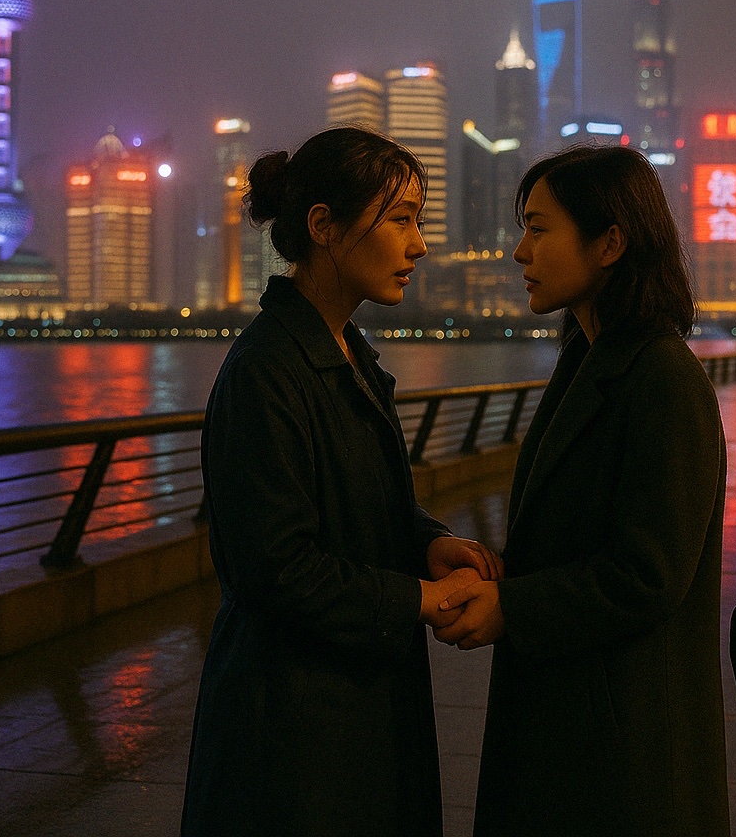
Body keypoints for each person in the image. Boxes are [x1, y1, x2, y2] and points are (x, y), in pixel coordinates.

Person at [180, 128, 501, 837]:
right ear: (323, 226)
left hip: (352, 712)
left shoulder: (347, 353)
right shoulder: (267, 372)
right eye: (401, 220)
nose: (419, 245)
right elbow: (277, 568)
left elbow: (361, 504)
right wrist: (418, 598)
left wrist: (427, 545)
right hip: (291, 737)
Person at [436, 146, 729, 837]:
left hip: (622, 755)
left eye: (538, 229)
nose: (518, 252)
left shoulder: (662, 378)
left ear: (610, 243)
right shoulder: (589, 360)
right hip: (575, 728)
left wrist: (514, 607)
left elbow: (648, 574)